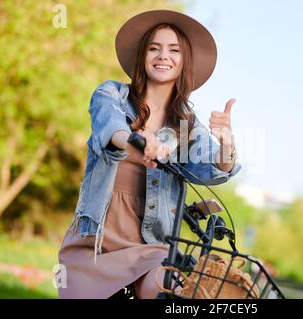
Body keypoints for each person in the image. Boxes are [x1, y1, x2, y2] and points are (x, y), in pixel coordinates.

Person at [57, 9, 241, 299]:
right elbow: (110, 129)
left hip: (151, 244)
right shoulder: (111, 94)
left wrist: (227, 141)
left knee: (164, 288)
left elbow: (214, 170)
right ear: (143, 56)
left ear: (184, 62)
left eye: (173, 50)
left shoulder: (186, 126)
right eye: (154, 48)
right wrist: (137, 140)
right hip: (96, 240)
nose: (163, 55)